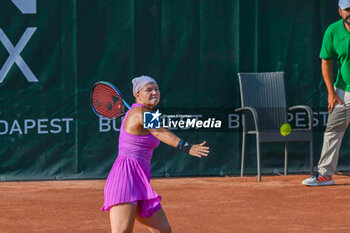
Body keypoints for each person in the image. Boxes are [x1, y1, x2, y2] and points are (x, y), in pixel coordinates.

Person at [101, 75, 210, 232]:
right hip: (125, 178)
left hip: (140, 179)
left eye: (157, 89)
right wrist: (186, 146)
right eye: (149, 90)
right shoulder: (140, 113)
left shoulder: (146, 113)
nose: (154, 92)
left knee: (163, 230)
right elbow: (160, 133)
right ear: (137, 94)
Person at [302, 0, 350, 186]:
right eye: (347, 9)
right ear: (340, 11)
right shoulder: (332, 31)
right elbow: (326, 61)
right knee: (333, 132)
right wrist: (331, 92)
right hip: (343, 92)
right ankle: (325, 175)